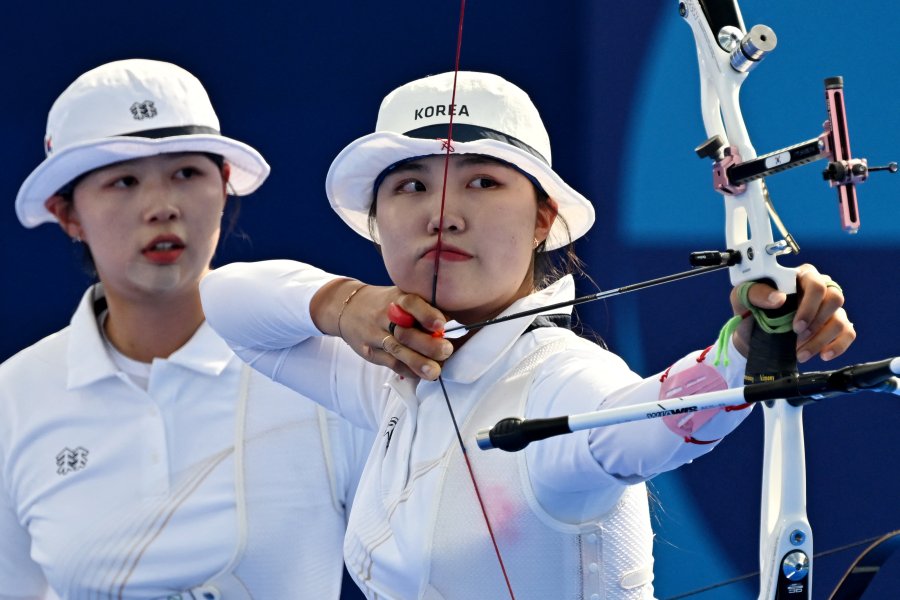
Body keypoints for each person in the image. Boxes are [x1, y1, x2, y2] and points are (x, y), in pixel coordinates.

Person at [199, 71, 855, 599]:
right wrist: (345, 307)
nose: (442, 215)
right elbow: (227, 299)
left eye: (482, 182)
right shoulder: (393, 365)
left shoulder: (560, 377)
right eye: (409, 186)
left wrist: (750, 348)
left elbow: (645, 425)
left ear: (543, 217)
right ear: (378, 221)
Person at [0, 59, 372, 599]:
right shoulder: (12, 398)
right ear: (67, 214)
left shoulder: (329, 373)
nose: (162, 207)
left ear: (225, 187)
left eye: (186, 173)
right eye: (123, 181)